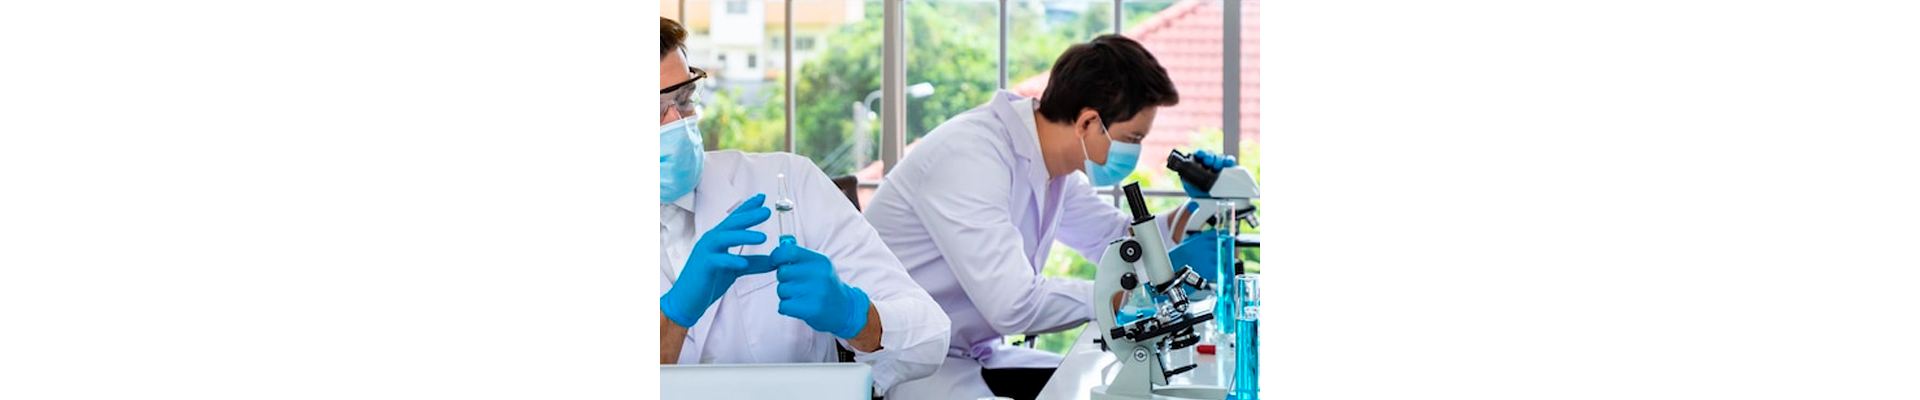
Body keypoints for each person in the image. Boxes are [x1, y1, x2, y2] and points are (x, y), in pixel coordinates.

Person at [863, 35, 1237, 399]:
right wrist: (1131, 293)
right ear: (1088, 122)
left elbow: (1114, 239)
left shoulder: (1051, 168)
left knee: (1095, 382)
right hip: (904, 361)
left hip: (967, 353)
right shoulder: (971, 156)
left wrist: (1192, 213)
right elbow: (1014, 305)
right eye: (1133, 138)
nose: (1136, 151)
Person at [657, 17, 949, 397]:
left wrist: (856, 316)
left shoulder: (787, 181)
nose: (676, 124)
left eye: (682, 100)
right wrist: (674, 316)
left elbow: (930, 337)